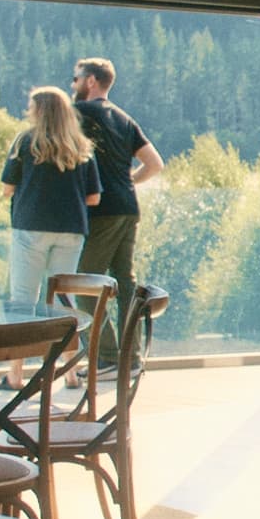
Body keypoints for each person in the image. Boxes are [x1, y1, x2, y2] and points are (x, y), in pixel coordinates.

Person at [0, 85, 102, 391]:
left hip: (30, 227)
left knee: (23, 301)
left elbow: (7, 187)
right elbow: (93, 197)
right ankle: (70, 373)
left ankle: (15, 374)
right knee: (63, 301)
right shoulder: (81, 147)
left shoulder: (26, 142)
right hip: (70, 229)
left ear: (39, 111)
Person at [71, 56, 163, 375]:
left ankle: (108, 357)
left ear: (91, 81)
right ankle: (130, 358)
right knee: (125, 283)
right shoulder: (125, 118)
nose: (73, 85)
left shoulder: (77, 114)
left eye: (76, 79)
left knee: (82, 282)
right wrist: (127, 183)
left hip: (101, 209)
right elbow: (155, 163)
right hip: (128, 207)